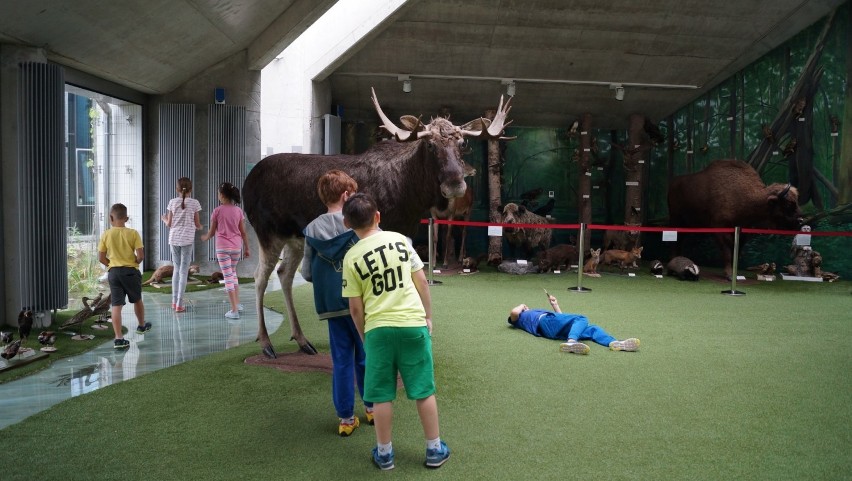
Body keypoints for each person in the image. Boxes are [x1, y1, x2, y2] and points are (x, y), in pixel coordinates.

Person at [342, 192, 450, 471]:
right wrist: (427, 316)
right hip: (413, 325)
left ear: (346, 223)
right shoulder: (401, 241)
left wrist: (366, 337)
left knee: (380, 395)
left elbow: (355, 309)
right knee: (424, 390)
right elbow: (423, 282)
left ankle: (385, 454)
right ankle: (434, 449)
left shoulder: (351, 257)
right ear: (378, 216)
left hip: (377, 330)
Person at [299, 170, 374, 437]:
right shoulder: (358, 224)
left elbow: (307, 272)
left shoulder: (311, 229)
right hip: (361, 304)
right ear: (346, 195)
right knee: (366, 356)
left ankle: (345, 418)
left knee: (341, 360)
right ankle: (371, 408)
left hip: (331, 305)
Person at [507, 291, 639, 354]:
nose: (527, 308)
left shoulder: (535, 313)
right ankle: (571, 342)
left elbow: (561, 319)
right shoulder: (520, 318)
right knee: (581, 318)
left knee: (592, 329)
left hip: (554, 329)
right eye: (524, 309)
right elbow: (513, 313)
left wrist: (555, 305)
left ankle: (615, 343)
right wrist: (523, 305)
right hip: (545, 324)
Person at [98, 203, 152, 349]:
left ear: (111, 218)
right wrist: (132, 262)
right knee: (137, 300)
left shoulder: (106, 234)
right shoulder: (133, 233)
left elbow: (101, 258)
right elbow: (141, 256)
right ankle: (141, 325)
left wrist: (112, 264)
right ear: (126, 218)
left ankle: (119, 338)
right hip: (130, 272)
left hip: (114, 273)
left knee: (116, 305)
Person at [200, 182, 250, 319]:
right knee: (233, 274)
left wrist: (205, 237)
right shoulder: (238, 211)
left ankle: (234, 311)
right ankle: (237, 304)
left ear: (222, 195)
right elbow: (243, 232)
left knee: (227, 277)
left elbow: (211, 232)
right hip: (236, 247)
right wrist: (247, 248)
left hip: (222, 248)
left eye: (218, 194)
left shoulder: (217, 211)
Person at [160, 177, 203, 313]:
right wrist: (201, 227)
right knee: (184, 271)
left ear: (176, 189)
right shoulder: (195, 203)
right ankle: (180, 303)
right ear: (191, 189)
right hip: (187, 240)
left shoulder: (172, 202)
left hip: (174, 239)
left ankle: (174, 302)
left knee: (176, 269)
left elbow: (169, 224)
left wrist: (164, 219)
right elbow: (197, 224)